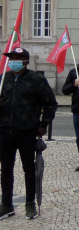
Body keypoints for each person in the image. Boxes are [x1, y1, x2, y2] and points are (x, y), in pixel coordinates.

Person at [0, 48, 57, 220]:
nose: (13, 62)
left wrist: (43, 124)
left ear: (25, 61)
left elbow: (50, 104)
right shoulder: (3, 78)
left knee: (29, 169)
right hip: (4, 131)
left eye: (17, 59)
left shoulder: (36, 80)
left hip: (27, 131)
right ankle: (7, 204)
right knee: (5, 169)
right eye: (11, 59)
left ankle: (30, 203)